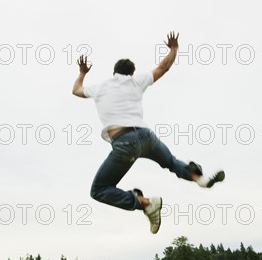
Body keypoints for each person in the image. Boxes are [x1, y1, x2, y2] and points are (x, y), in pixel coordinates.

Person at [72, 31, 225, 234]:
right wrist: (174, 48)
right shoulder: (136, 81)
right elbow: (163, 67)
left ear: (114, 72)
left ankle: (144, 203)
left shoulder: (99, 87)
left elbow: (76, 90)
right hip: (146, 136)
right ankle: (200, 179)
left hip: (124, 142)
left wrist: (82, 73)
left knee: (99, 190)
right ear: (132, 73)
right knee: (170, 161)